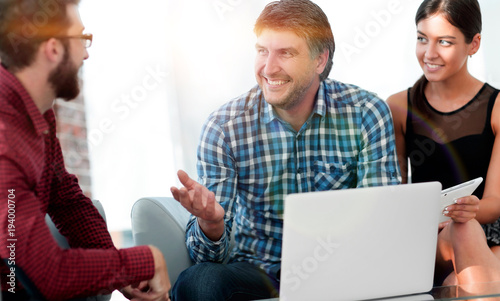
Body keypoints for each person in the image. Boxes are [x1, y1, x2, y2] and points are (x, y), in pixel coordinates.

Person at [170, 0, 401, 299]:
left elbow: (379, 221)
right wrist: (211, 223)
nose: (268, 68)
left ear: (320, 60)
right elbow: (209, 258)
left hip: (342, 268)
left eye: (286, 53)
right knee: (197, 282)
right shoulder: (223, 127)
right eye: (262, 51)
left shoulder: (366, 113)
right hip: (257, 271)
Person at [0, 0, 170, 300]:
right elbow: (49, 275)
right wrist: (147, 259)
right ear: (53, 48)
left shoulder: (39, 114)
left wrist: (122, 273)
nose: (87, 53)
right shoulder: (4, 138)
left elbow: (65, 199)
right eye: (81, 38)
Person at [387, 0, 500, 286]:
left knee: (458, 282)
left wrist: (470, 209)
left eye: (445, 42)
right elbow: (394, 201)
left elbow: (495, 203)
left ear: (473, 44)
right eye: (422, 39)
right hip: (432, 239)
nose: (429, 53)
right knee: (463, 230)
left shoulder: (497, 106)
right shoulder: (399, 107)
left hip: (489, 230)